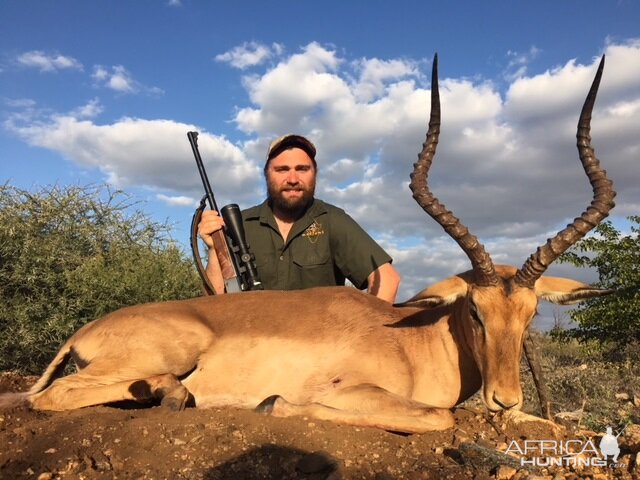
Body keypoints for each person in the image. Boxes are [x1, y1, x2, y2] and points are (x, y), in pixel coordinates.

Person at [198, 134, 401, 303]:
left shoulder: (332, 219)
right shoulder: (239, 225)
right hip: (253, 343)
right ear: (267, 174)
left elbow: (387, 279)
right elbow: (211, 301)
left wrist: (361, 337)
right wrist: (214, 249)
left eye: (302, 169)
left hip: (317, 345)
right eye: (282, 170)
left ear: (315, 174)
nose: (293, 179)